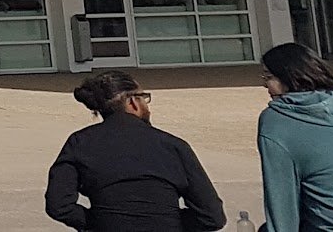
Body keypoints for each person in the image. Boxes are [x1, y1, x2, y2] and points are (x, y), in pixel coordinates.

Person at [45, 69, 225, 232]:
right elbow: (212, 217)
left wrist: (98, 221)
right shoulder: (173, 145)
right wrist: (168, 220)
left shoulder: (80, 143)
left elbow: (58, 205)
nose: (147, 105)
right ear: (132, 102)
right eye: (144, 97)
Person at [256, 41, 333, 232]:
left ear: (290, 77)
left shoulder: (277, 121)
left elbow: (281, 203)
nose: (264, 84)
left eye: (268, 77)